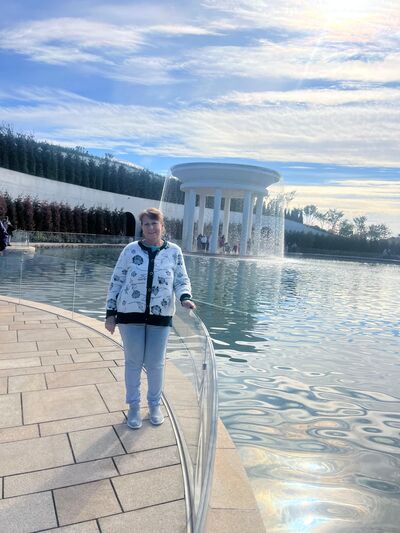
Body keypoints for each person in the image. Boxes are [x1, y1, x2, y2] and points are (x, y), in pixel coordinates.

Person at [104, 207, 196, 430]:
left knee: (156, 364)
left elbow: (181, 279)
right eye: (146, 224)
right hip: (129, 316)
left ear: (162, 226)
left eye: (155, 223)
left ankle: (154, 405)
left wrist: (184, 297)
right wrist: (110, 313)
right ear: (142, 228)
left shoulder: (174, 251)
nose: (151, 228)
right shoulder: (130, 250)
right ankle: (134, 406)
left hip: (160, 317)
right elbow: (116, 281)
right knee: (133, 363)